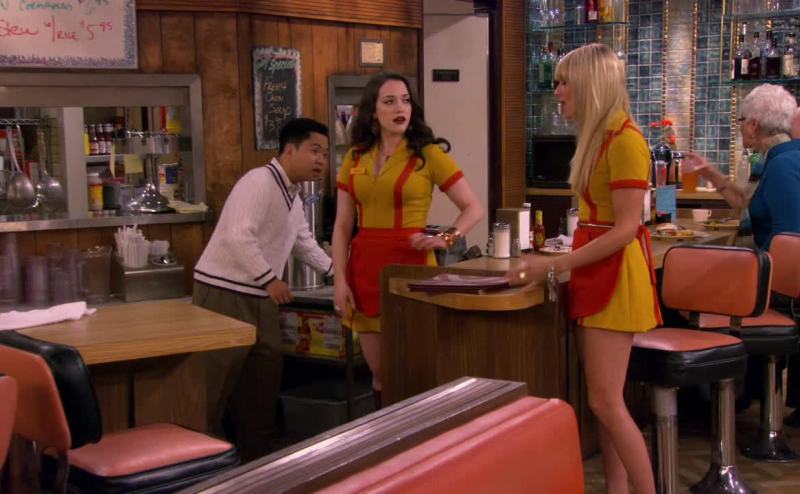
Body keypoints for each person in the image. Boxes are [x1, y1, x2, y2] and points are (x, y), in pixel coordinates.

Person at [506, 44, 658, 494]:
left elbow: (625, 229)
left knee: (606, 402)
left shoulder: (626, 140)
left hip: (614, 275)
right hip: (597, 270)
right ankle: (617, 488)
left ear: (590, 85)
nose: (557, 92)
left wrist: (555, 266)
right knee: (603, 403)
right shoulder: (600, 138)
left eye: (563, 82)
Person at [332, 73, 483, 406]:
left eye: (405, 100)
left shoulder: (428, 154)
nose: (400, 108)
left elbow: (473, 208)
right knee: (380, 373)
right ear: (373, 111)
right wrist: (340, 280)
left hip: (410, 267)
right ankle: (387, 433)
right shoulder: (355, 157)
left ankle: (421, 433)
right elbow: (342, 225)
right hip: (365, 268)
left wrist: (447, 238)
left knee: (413, 371)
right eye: (389, 102)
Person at [193, 118, 332, 460]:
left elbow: (303, 242)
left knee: (261, 385)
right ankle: (200, 465)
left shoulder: (294, 197)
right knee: (214, 386)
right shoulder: (258, 181)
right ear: (289, 150)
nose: (321, 160)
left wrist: (335, 272)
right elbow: (238, 235)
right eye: (314, 151)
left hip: (260, 299)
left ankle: (256, 463)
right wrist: (269, 278)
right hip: (224, 293)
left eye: (326, 154)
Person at [683, 85, 800, 424]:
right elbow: (749, 203)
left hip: (780, 289)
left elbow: (788, 239)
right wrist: (710, 173)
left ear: (753, 125)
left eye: (741, 120)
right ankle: (741, 394)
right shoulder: (778, 157)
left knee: (684, 295)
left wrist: (743, 273)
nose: (740, 127)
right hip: (776, 282)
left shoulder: (782, 165)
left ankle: (715, 403)